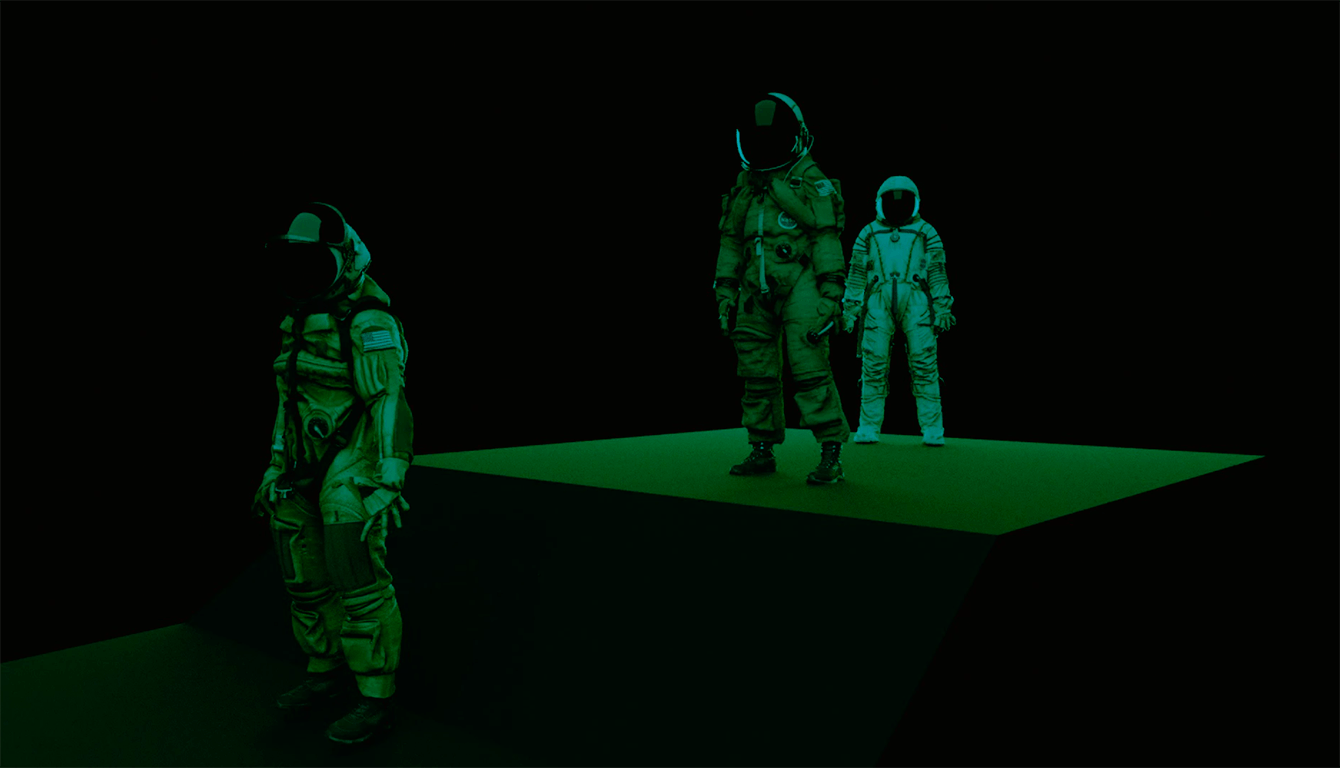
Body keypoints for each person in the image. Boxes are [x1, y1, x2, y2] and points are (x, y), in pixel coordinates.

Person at [250, 202, 413, 745]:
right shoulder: (298, 321)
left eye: (313, 261)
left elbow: (388, 401)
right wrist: (276, 464)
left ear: (343, 259)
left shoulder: (369, 322)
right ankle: (325, 672)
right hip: (301, 460)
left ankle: (375, 695)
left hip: (353, 458)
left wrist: (388, 477)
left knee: (355, 573)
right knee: (302, 572)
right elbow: (288, 402)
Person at [714, 93, 851, 484]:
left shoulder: (810, 181)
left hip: (801, 282)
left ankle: (830, 453)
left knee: (810, 368)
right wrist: (725, 291)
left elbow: (825, 237)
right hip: (753, 288)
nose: (764, 146)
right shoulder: (746, 186)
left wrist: (831, 291)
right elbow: (731, 241)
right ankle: (761, 448)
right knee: (755, 371)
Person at [841, 176, 956, 445]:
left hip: (916, 300)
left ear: (915, 202)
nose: (897, 205)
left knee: (924, 363)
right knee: (873, 364)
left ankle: (933, 428)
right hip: (877, 300)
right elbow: (856, 274)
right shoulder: (869, 233)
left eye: (904, 200)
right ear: (879, 203)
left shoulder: (925, 232)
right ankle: (868, 426)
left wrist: (942, 308)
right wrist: (850, 309)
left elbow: (937, 271)